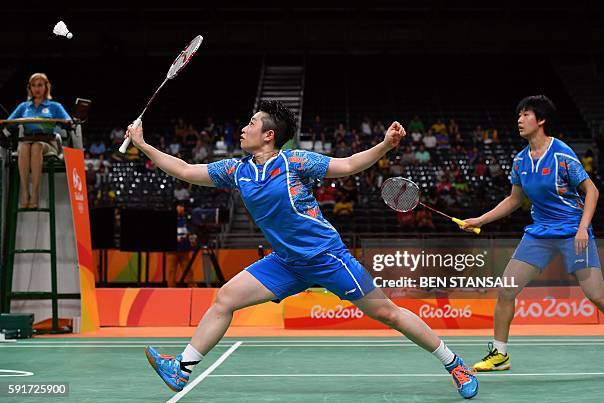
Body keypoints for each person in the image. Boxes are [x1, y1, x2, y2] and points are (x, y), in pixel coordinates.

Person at [126, 100, 478, 398]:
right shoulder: (237, 170)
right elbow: (187, 170)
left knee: (387, 313)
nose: (243, 128)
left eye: (251, 124)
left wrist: (385, 145)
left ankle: (455, 364)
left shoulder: (295, 163)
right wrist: (143, 144)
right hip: (285, 262)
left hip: (326, 258)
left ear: (269, 135)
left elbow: (349, 165)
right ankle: (182, 368)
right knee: (226, 298)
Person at [462, 95, 604, 372]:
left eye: (526, 114)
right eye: (518, 114)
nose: (519, 119)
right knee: (506, 289)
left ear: (541, 120)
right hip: (539, 235)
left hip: (571, 233)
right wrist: (479, 219)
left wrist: (582, 229)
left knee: (597, 295)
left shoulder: (562, 154)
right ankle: (500, 354)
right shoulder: (520, 161)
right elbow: (514, 199)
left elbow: (592, 190)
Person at [7, 73, 71, 208]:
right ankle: (25, 192)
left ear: (46, 87)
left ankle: (35, 193)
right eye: (34, 85)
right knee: (24, 147)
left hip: (48, 142)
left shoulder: (55, 106)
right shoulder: (23, 106)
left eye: (40, 85)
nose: (37, 88)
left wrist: (66, 123)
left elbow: (68, 122)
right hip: (27, 140)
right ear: (30, 88)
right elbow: (9, 123)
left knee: (36, 146)